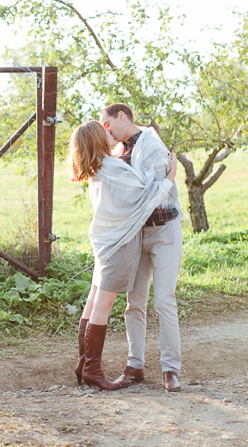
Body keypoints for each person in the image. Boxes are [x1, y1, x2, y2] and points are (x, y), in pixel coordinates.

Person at [68, 120, 177, 391]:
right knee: (102, 307)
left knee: (93, 302)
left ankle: (84, 364)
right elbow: (144, 194)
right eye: (104, 131)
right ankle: (92, 369)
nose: (110, 131)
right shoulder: (112, 167)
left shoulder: (100, 167)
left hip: (105, 242)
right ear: (97, 139)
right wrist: (169, 178)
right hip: (117, 246)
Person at [99, 103, 184, 392]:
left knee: (163, 300)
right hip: (136, 235)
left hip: (164, 232)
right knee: (133, 303)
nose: (106, 130)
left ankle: (170, 369)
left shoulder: (151, 146)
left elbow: (150, 195)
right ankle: (134, 366)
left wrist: (169, 178)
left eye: (108, 124)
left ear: (122, 117)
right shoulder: (120, 152)